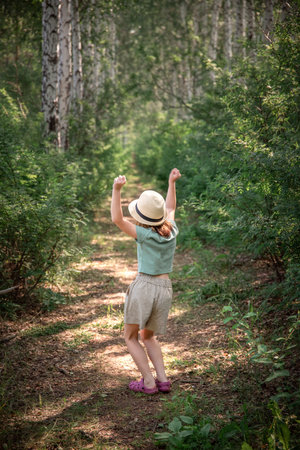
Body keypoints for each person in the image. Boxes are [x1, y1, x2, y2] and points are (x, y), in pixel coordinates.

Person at [111, 168, 181, 394]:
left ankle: (148, 381)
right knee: (148, 336)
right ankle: (163, 380)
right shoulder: (171, 231)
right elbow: (170, 208)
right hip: (164, 289)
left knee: (131, 337)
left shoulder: (143, 234)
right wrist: (172, 183)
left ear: (142, 217)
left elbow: (117, 219)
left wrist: (117, 189)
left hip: (144, 287)